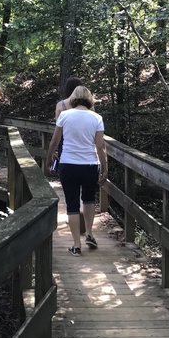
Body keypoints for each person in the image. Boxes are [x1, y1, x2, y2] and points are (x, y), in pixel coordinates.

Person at [44, 86, 108, 256]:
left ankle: (76, 245)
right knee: (88, 200)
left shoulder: (64, 115)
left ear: (73, 98)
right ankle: (89, 233)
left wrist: (48, 160)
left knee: (72, 204)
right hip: (89, 165)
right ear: (89, 99)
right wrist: (105, 167)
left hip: (68, 165)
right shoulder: (97, 118)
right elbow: (100, 146)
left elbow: (54, 141)